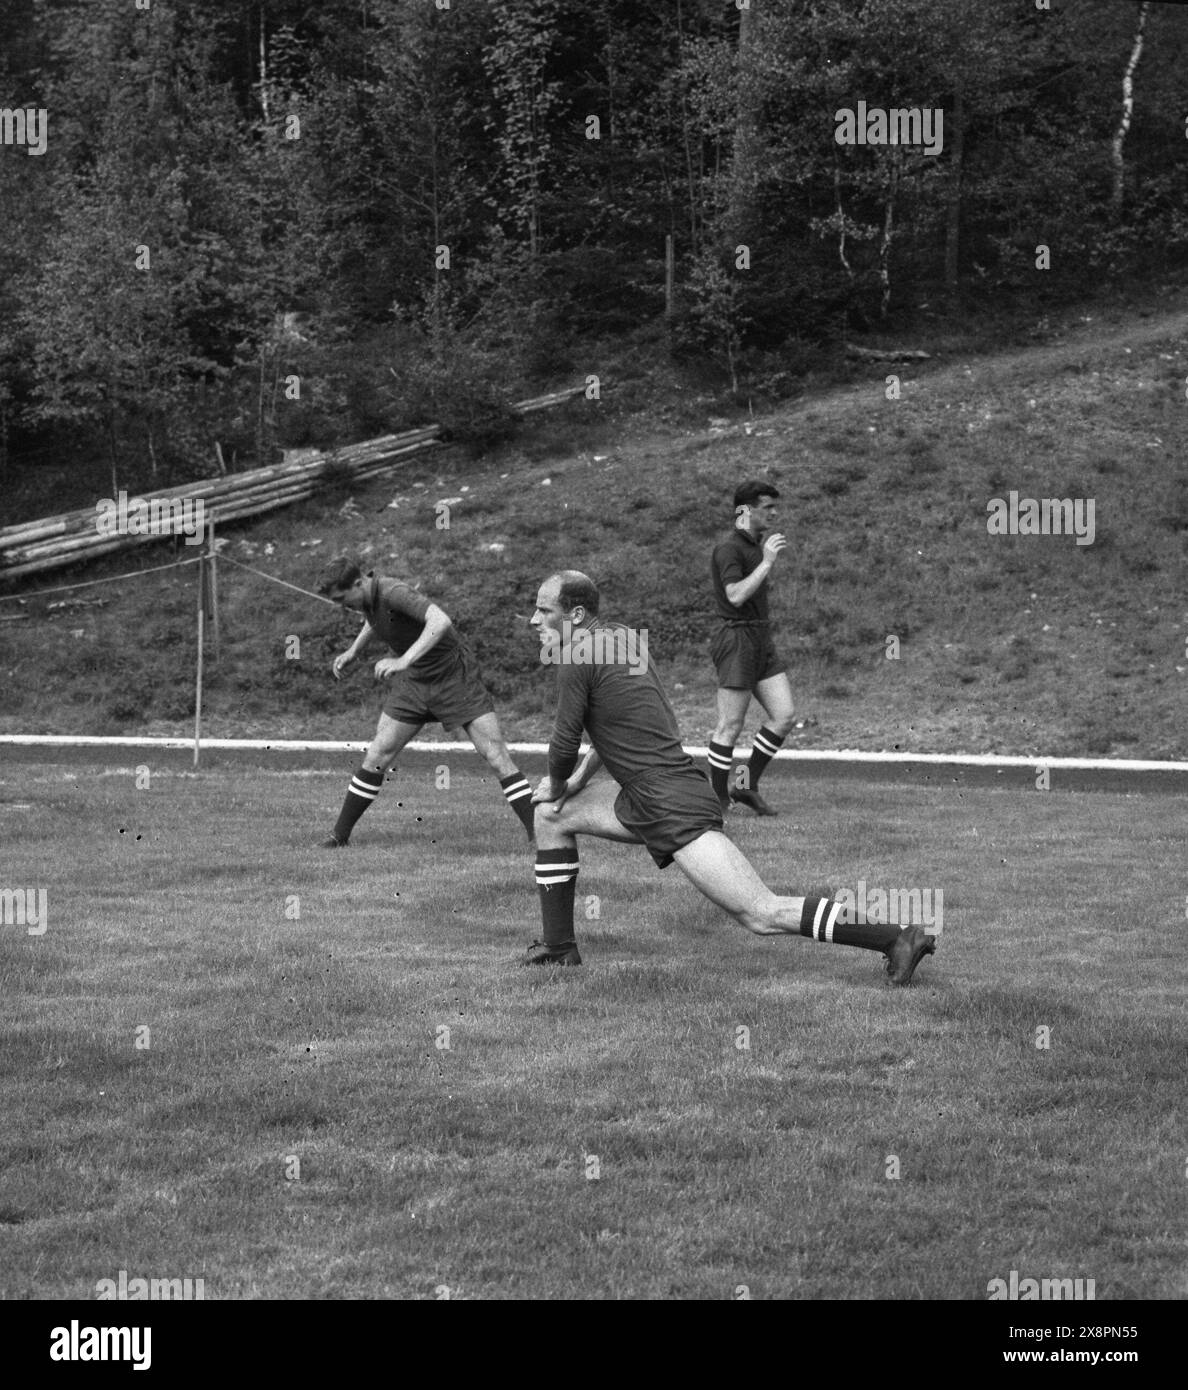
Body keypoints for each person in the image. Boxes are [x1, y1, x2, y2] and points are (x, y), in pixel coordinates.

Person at [524, 570, 935, 986]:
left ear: (575, 615)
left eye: (544, 610)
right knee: (551, 815)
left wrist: (559, 782)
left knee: (761, 913)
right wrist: (574, 784)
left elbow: (563, 744)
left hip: (670, 804)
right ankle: (558, 948)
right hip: (651, 792)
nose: (533, 620)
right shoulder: (623, 638)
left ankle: (896, 938)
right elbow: (610, 728)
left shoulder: (577, 658)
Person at [316, 558, 534, 847]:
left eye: (343, 599)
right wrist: (353, 651)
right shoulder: (368, 599)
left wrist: (404, 659)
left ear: (359, 583)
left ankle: (539, 832)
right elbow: (375, 620)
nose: (343, 606)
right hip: (416, 682)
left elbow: (440, 621)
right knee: (378, 753)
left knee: (495, 756)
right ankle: (339, 836)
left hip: (454, 677)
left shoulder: (394, 592)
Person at [707, 479, 797, 816]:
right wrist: (767, 562)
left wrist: (764, 558)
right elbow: (735, 595)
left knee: (784, 716)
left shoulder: (756, 546)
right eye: (767, 506)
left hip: (760, 639)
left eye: (775, 506)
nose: (774, 513)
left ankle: (745, 785)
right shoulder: (729, 549)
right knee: (730, 725)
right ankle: (716, 799)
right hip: (736, 639)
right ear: (745, 510)